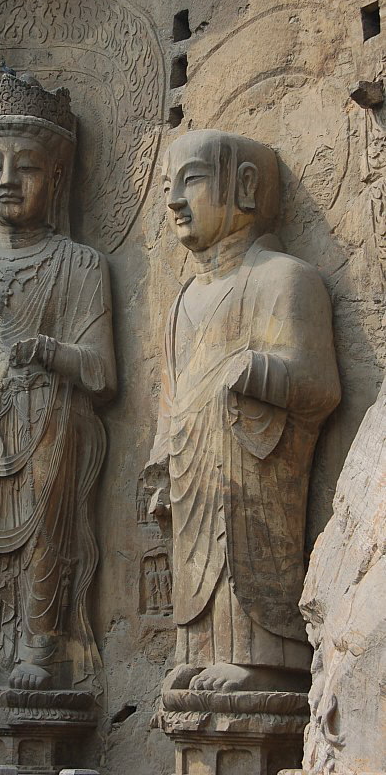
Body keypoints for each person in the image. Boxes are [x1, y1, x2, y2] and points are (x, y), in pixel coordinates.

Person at [0, 73, 116, 691]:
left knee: (45, 529)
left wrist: (49, 351)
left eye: (26, 165)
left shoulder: (79, 263)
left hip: (51, 414)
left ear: (56, 178)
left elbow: (103, 371)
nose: (7, 179)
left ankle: (40, 647)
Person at [145, 130, 340, 693]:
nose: (175, 200)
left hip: (254, 464)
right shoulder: (182, 301)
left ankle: (264, 655)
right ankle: (200, 648)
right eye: (166, 187)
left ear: (246, 186)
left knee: (244, 545)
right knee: (193, 555)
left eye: (193, 180)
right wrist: (161, 466)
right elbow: (170, 401)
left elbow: (320, 386)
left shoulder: (284, 278)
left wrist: (257, 370)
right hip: (193, 466)